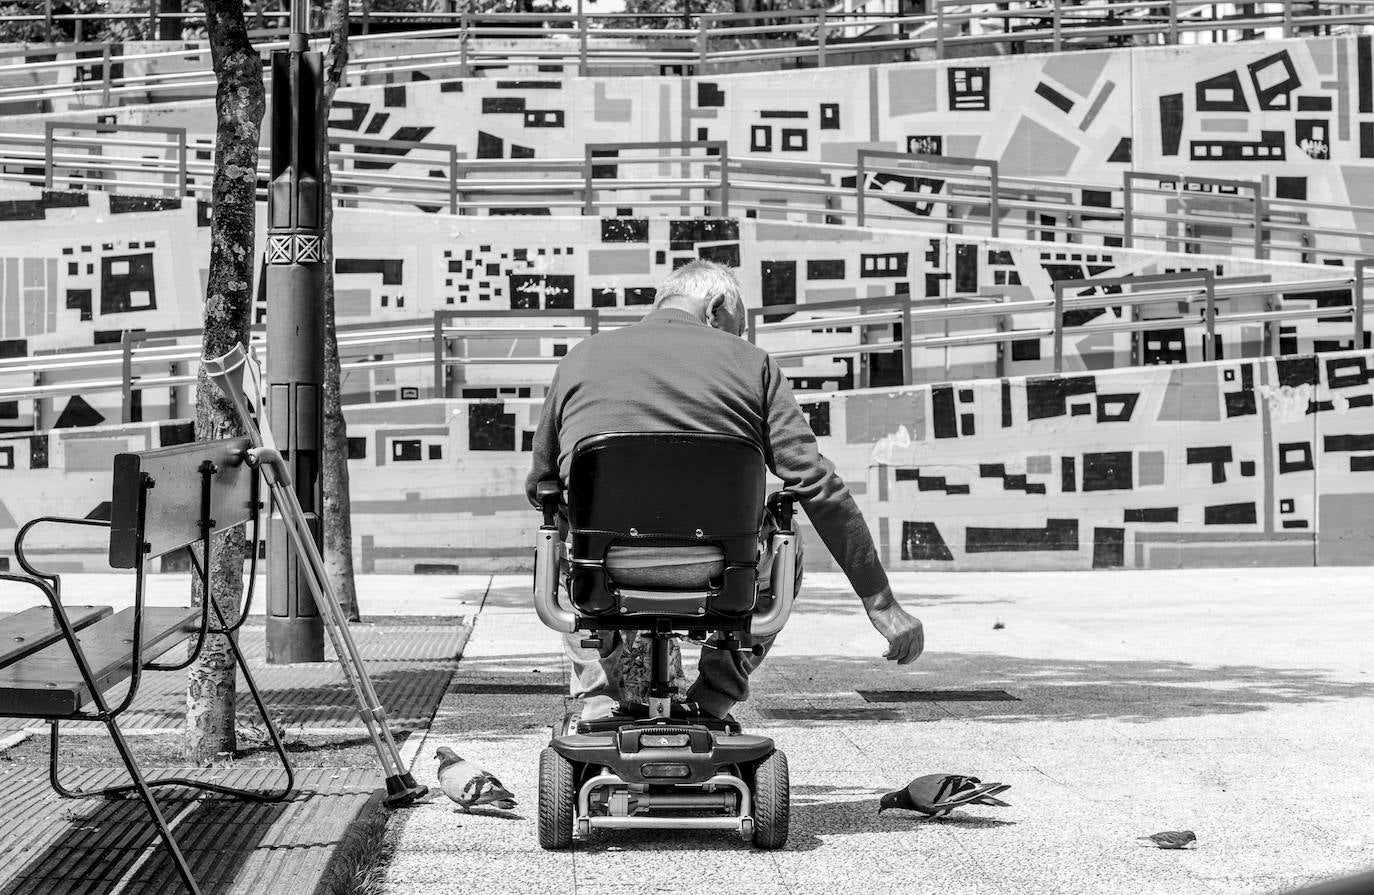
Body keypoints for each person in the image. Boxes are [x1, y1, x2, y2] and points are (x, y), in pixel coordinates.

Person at [525, 260, 924, 720]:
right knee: (787, 543)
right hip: (723, 576)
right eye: (741, 328)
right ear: (716, 307)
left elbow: (540, 486)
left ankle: (598, 696)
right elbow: (815, 483)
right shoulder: (754, 366)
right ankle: (715, 697)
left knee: (555, 530)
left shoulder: (582, 357)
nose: (741, 340)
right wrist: (880, 602)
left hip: (602, 573)